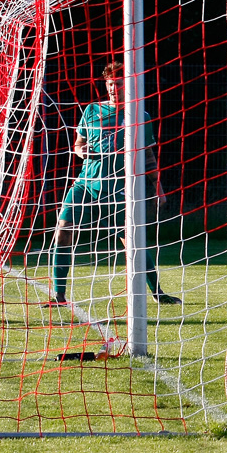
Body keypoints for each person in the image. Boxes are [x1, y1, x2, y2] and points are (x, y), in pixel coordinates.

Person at [52, 61, 181, 305]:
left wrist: (159, 191)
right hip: (86, 184)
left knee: (132, 242)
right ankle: (59, 295)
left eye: (118, 84)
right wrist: (82, 151)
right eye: (110, 84)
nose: (113, 88)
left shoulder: (139, 116)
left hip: (120, 190)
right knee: (63, 231)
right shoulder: (91, 110)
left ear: (128, 86)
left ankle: (157, 292)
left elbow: (149, 157)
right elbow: (78, 145)